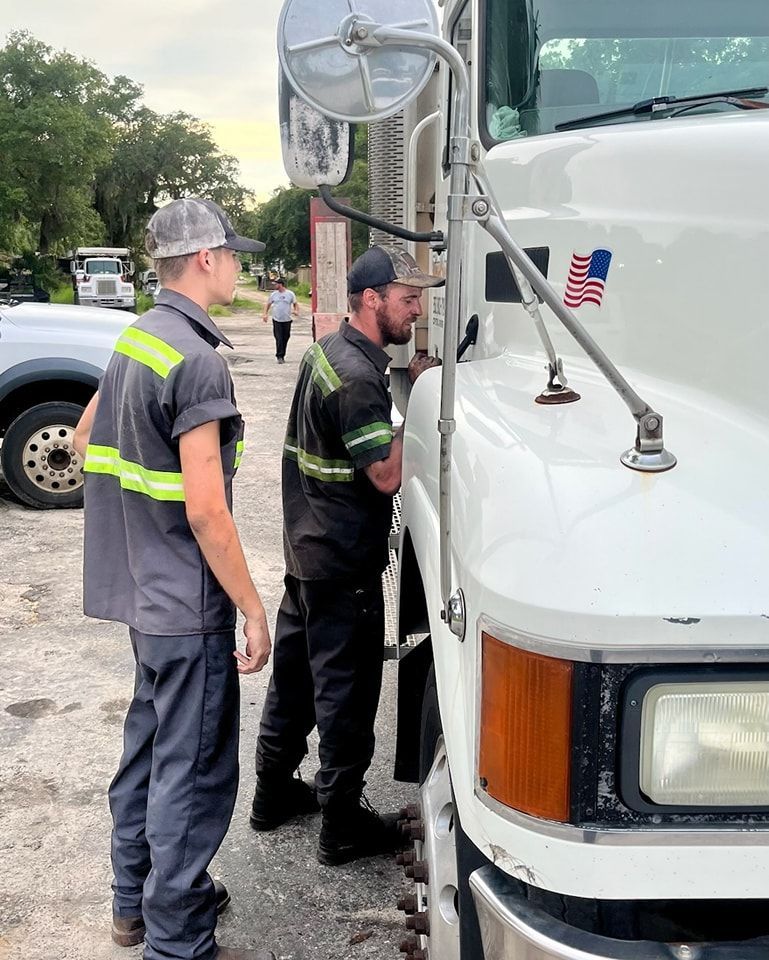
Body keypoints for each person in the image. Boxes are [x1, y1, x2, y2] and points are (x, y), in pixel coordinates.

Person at [73, 197, 274, 960]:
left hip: (141, 599)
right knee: (189, 777)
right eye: (232, 255)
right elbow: (207, 514)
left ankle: (135, 905)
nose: (238, 267)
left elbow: (91, 436)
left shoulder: (139, 340)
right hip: (187, 610)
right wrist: (252, 610)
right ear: (203, 260)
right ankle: (178, 940)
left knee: (149, 754)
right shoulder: (195, 360)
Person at [251, 244, 443, 866]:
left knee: (296, 678)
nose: (416, 311)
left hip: (306, 549)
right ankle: (341, 825)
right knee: (348, 691)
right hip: (342, 562)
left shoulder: (325, 353)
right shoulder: (361, 378)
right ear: (372, 299)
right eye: (408, 299)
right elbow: (386, 474)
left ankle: (272, 793)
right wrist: (421, 398)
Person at [262, 277, 298, 363]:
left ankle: (282, 354)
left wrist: (296, 310)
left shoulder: (290, 294)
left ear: (281, 284)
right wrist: (265, 314)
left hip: (287, 320)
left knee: (285, 337)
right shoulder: (274, 294)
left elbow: (295, 304)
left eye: (276, 284)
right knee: (279, 338)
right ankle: (279, 356)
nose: (274, 285)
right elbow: (268, 304)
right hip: (277, 320)